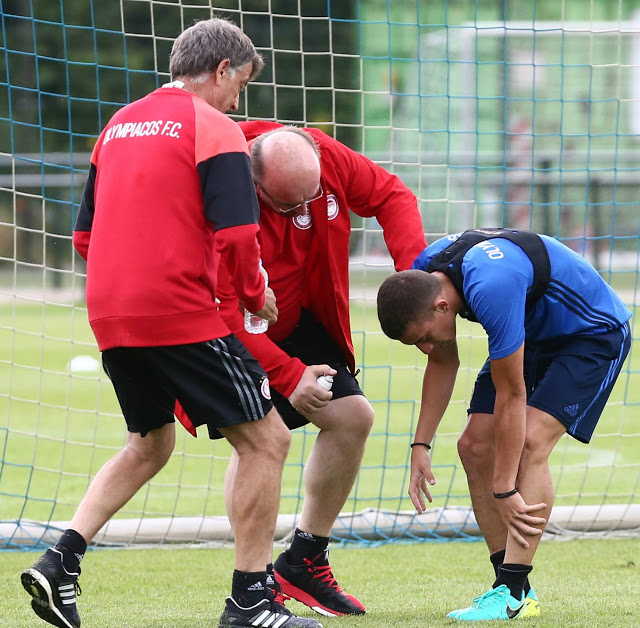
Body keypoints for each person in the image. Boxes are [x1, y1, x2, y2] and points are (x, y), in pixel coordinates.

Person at [20, 19, 322, 628]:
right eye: (239, 86)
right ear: (220, 72)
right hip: (177, 311)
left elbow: (84, 236)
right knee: (268, 439)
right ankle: (252, 603)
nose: (239, 102)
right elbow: (238, 234)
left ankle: (60, 561)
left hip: (109, 311)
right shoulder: (216, 131)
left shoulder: (116, 126)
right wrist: (254, 295)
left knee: (150, 442)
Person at [178, 123, 427, 617]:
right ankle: (253, 582)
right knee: (258, 442)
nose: (300, 214)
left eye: (309, 201)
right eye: (286, 206)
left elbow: (394, 196)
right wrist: (289, 375)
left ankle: (304, 560)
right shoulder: (215, 186)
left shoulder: (321, 155)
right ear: (254, 183)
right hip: (236, 329)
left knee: (353, 416)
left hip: (301, 316)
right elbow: (225, 312)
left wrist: (415, 277)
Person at [376, 227, 631, 622]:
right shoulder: (426, 273)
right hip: (533, 333)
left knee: (530, 443)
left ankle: (512, 591)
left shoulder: (490, 285)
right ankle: (510, 589)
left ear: (443, 307)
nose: (427, 347)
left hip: (590, 335)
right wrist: (420, 445)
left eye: (425, 337)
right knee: (473, 447)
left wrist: (505, 488)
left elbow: (512, 396)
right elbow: (443, 361)